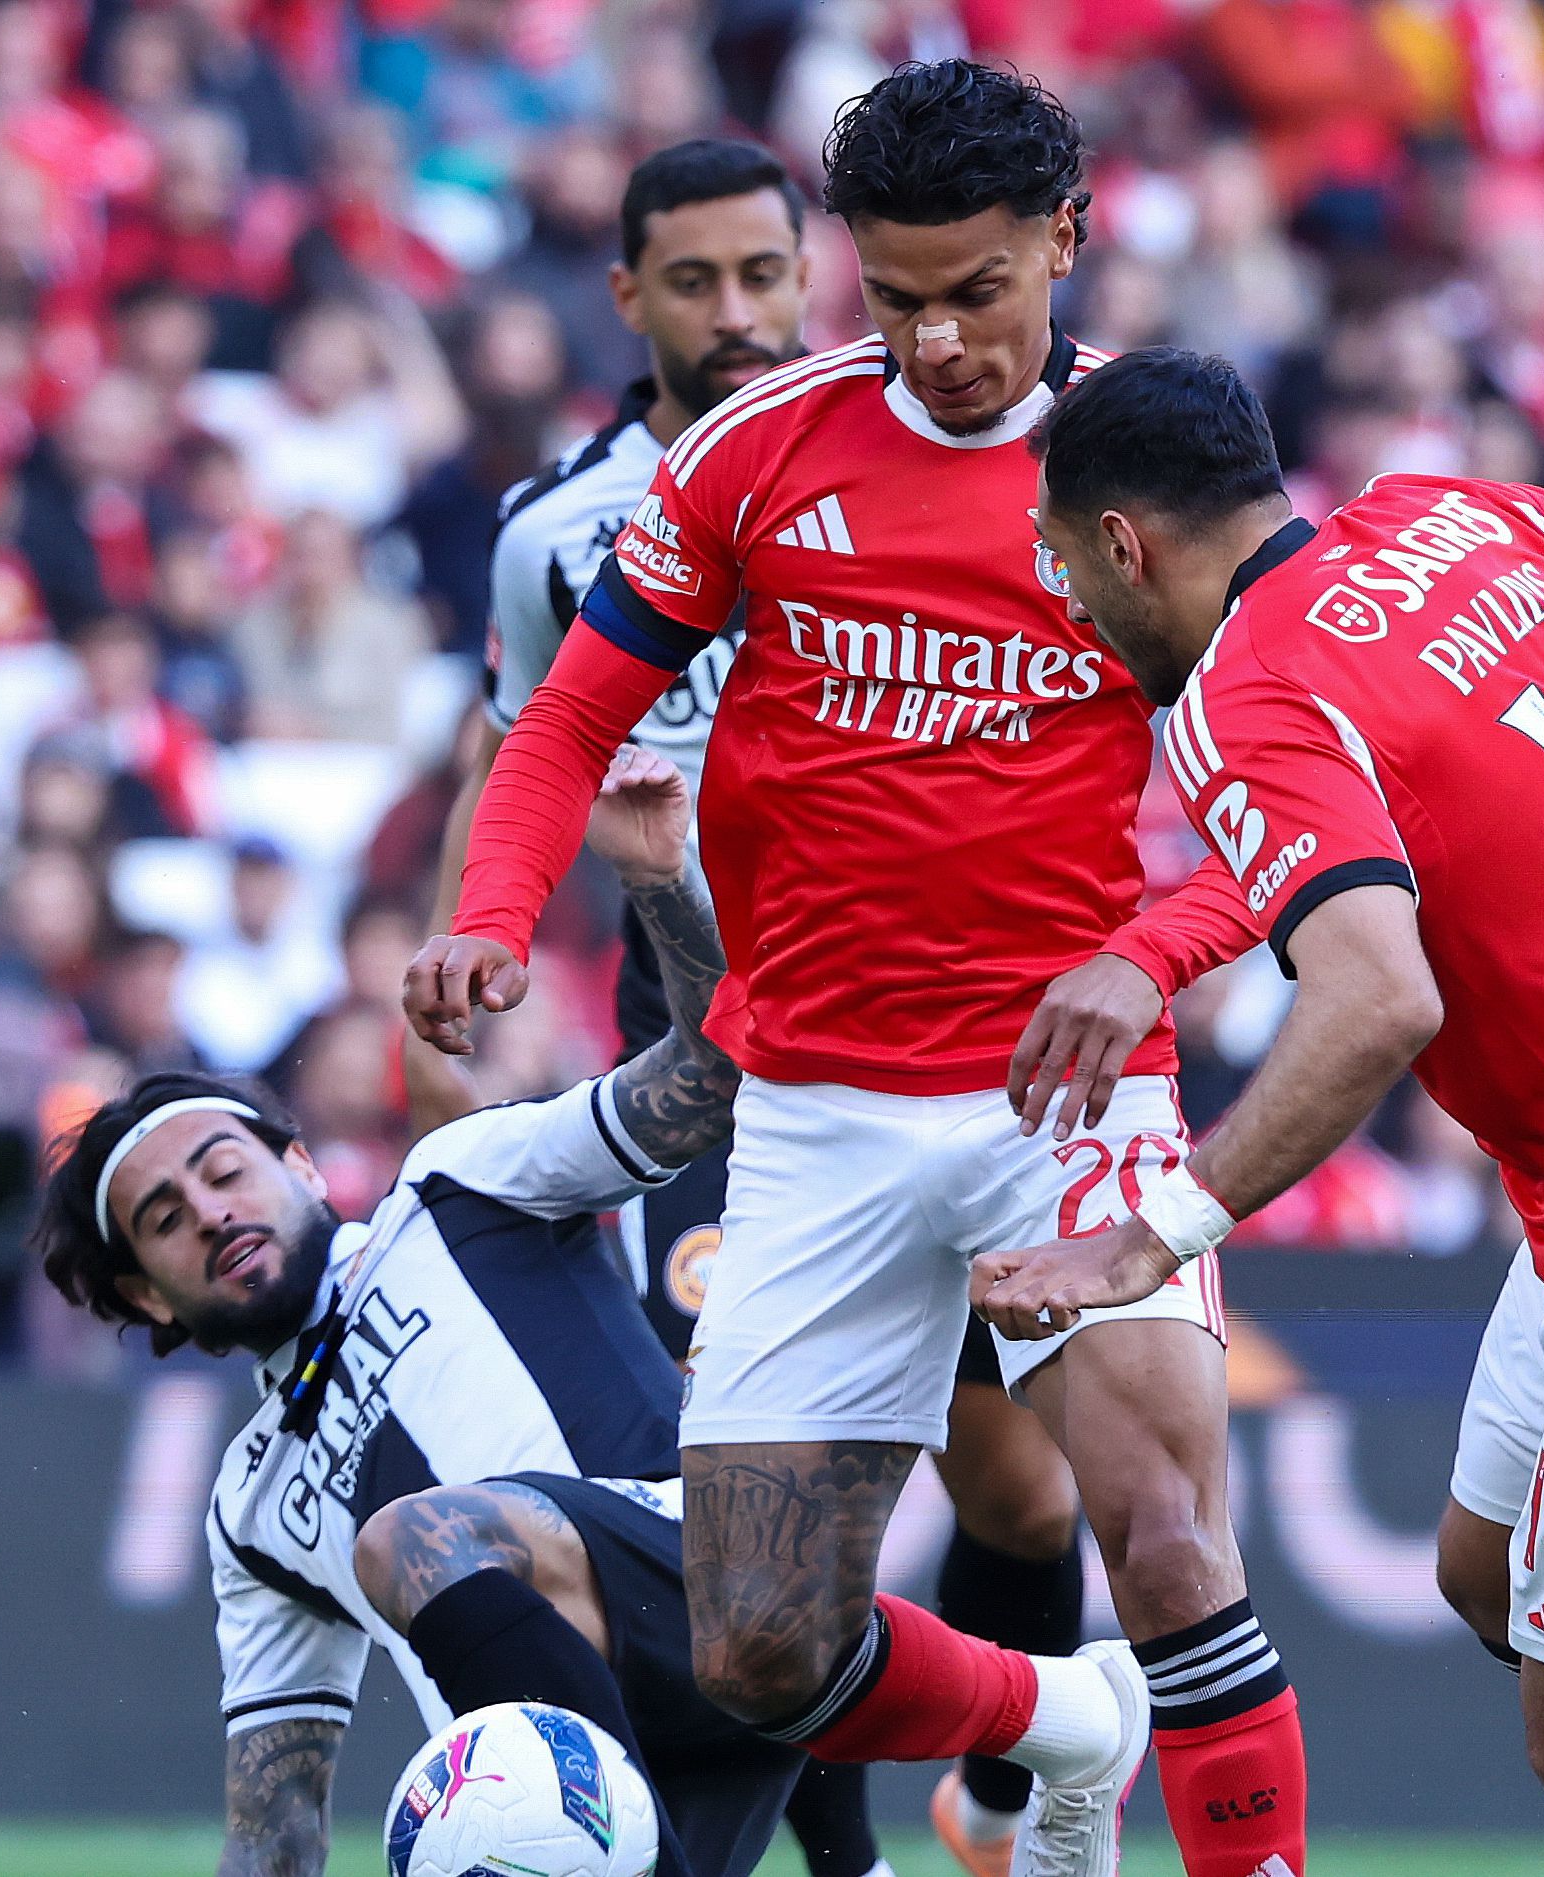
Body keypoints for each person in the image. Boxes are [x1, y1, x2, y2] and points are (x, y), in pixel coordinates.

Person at [408, 64, 1308, 1877]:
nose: (938, 343)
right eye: (894, 298)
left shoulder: (1149, 480)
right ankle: (1068, 1717)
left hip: (1072, 1104)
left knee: (1161, 1534)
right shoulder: (758, 453)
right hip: (809, 1117)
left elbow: (1295, 819)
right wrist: (492, 916)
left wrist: (1149, 956)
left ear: (1065, 240)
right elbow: (570, 715)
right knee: (758, 1653)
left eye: (976, 293)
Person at [985, 349, 1544, 1877]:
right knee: (1495, 1577)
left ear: (1125, 544)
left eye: (1066, 562)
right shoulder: (1442, 516)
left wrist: (1152, 1238)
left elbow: (1377, 1000)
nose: (1070, 599)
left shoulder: (1237, 701)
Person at [437, 131, 1091, 1877]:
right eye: (697, 281)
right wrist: (464, 959)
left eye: (765, 275)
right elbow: (521, 744)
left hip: (942, 1047)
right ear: (627, 293)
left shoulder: (890, 458)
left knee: (1024, 1498)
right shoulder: (561, 534)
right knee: (744, 1527)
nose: (739, 313)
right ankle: (845, 1859)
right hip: (717, 1076)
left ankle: (1011, 1793)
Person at [34, 751, 803, 1877]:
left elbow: (715, 1078)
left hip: (722, 1587)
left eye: (222, 1168)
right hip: (610, 1766)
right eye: (163, 1216)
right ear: (149, 1291)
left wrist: (659, 879)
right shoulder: (251, 1506)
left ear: (299, 1163)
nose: (208, 1209)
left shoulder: (457, 1184)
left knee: (421, 1535)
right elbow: (275, 1828)